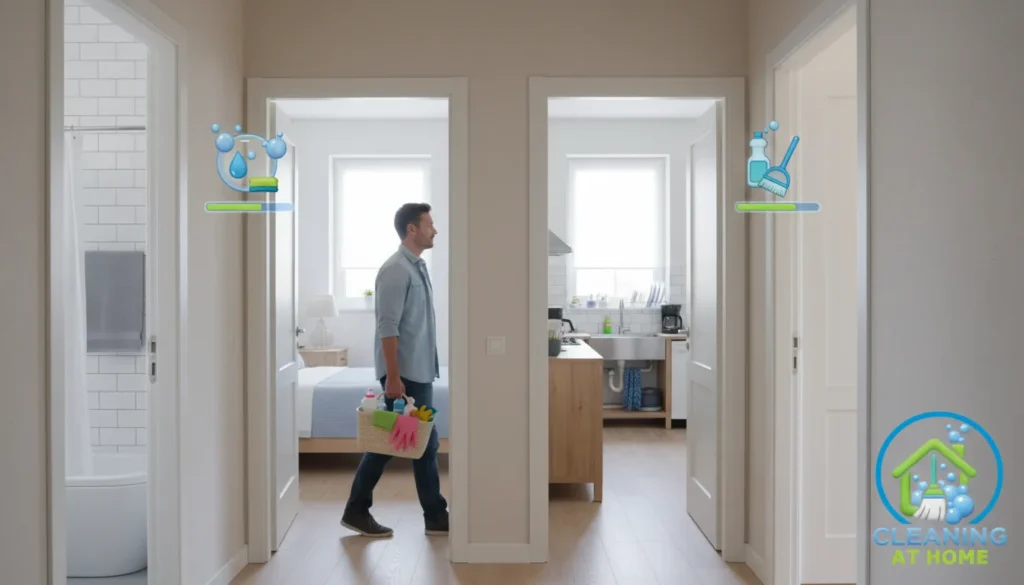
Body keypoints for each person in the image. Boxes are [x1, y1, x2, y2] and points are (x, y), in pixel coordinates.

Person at [340, 202, 449, 538]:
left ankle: (431, 515)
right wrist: (394, 378)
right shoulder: (396, 270)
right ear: (412, 229)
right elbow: (387, 327)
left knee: (416, 442)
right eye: (429, 225)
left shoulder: (417, 267)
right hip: (405, 375)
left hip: (418, 370)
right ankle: (431, 515)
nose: (435, 230)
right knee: (404, 442)